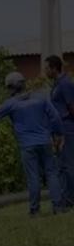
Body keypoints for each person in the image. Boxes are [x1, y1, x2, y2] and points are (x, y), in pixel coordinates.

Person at [0, 71, 65, 216]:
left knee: (33, 177)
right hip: (45, 142)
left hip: (27, 146)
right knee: (52, 174)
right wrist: (58, 134)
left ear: (12, 87)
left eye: (9, 87)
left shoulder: (10, 104)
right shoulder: (41, 98)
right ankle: (58, 208)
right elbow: (55, 117)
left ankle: (35, 211)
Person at [45, 55, 74, 207]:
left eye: (47, 68)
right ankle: (65, 197)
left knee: (68, 165)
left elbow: (72, 106)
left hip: (68, 128)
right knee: (62, 165)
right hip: (59, 129)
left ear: (54, 68)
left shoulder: (65, 84)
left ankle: (70, 199)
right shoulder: (56, 84)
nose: (45, 71)